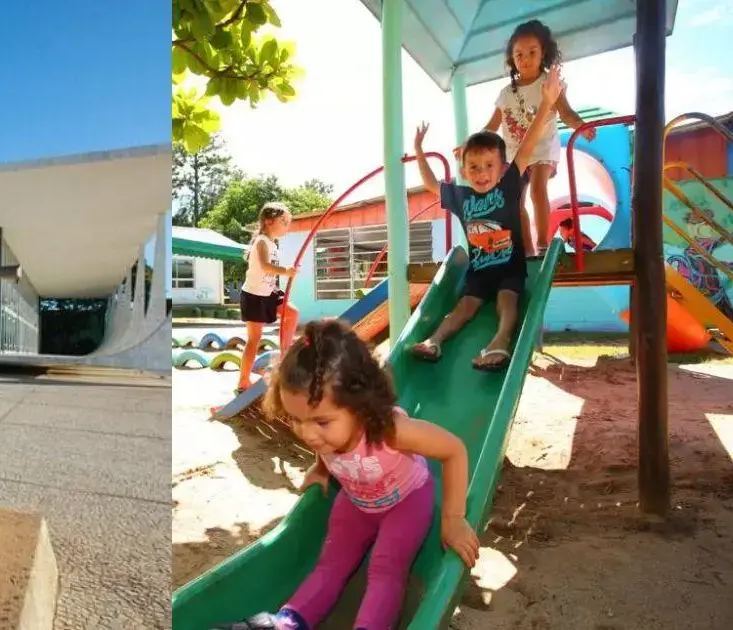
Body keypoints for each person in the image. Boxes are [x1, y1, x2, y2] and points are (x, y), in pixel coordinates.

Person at [219, 320, 479, 630]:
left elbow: (454, 450)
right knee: (331, 562)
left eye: (321, 422)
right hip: (357, 501)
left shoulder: (390, 431)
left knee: (386, 568)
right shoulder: (327, 431)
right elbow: (321, 442)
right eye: (296, 420)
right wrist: (320, 467)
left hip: (407, 502)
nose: (307, 434)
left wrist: (453, 519)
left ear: (360, 406)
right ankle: (289, 622)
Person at [410, 66, 564, 371]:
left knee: (507, 300)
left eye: (489, 165)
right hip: (478, 272)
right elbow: (429, 183)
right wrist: (418, 150)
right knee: (463, 307)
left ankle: (500, 341)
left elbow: (528, 145)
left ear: (502, 167)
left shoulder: (509, 186)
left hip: (509, 267)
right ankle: (434, 340)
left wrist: (548, 102)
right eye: (474, 167)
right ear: (464, 170)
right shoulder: (461, 197)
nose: (481, 173)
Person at [473, 19, 596, 254]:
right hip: (516, 156)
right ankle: (527, 250)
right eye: (519, 54)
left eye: (532, 52)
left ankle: (542, 244)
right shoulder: (506, 94)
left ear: (543, 54)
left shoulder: (548, 84)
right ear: (512, 59)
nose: (525, 59)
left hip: (542, 150)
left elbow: (566, 112)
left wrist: (581, 126)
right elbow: (492, 126)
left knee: (538, 189)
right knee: (515, 201)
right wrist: (472, 144)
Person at [235, 202, 299, 395]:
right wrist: (286, 271)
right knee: (254, 339)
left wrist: (286, 272)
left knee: (292, 312)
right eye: (284, 221)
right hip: (254, 296)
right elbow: (264, 266)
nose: (287, 225)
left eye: (288, 222)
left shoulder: (272, 243)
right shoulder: (262, 241)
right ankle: (243, 381)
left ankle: (285, 352)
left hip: (270, 292)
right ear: (269, 222)